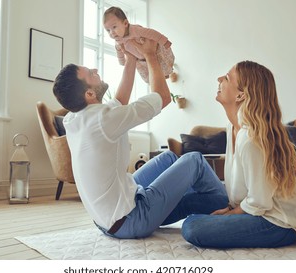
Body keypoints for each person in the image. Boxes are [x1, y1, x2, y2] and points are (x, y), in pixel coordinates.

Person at [52, 38, 228, 239]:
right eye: (90, 74)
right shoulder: (103, 119)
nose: (94, 69)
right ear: (90, 93)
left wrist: (131, 60)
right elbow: (162, 97)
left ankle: (189, 200)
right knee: (194, 159)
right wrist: (150, 55)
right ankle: (226, 206)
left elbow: (118, 102)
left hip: (107, 219)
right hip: (130, 220)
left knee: (169, 158)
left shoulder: (74, 118)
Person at [180, 61, 296, 248]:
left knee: (192, 226)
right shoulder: (233, 127)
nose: (219, 79)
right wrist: (231, 209)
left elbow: (259, 202)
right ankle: (140, 215)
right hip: (252, 208)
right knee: (188, 198)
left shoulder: (250, 138)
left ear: (241, 94)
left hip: (276, 223)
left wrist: (228, 215)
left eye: (226, 78)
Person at [103, 6, 174, 83]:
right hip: (140, 59)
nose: (112, 32)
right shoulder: (118, 41)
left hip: (153, 50)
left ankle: (167, 73)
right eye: (108, 30)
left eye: (114, 27)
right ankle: (157, 78)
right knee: (145, 73)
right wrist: (122, 61)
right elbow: (119, 51)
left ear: (125, 23)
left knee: (163, 61)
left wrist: (164, 41)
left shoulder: (135, 30)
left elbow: (151, 33)